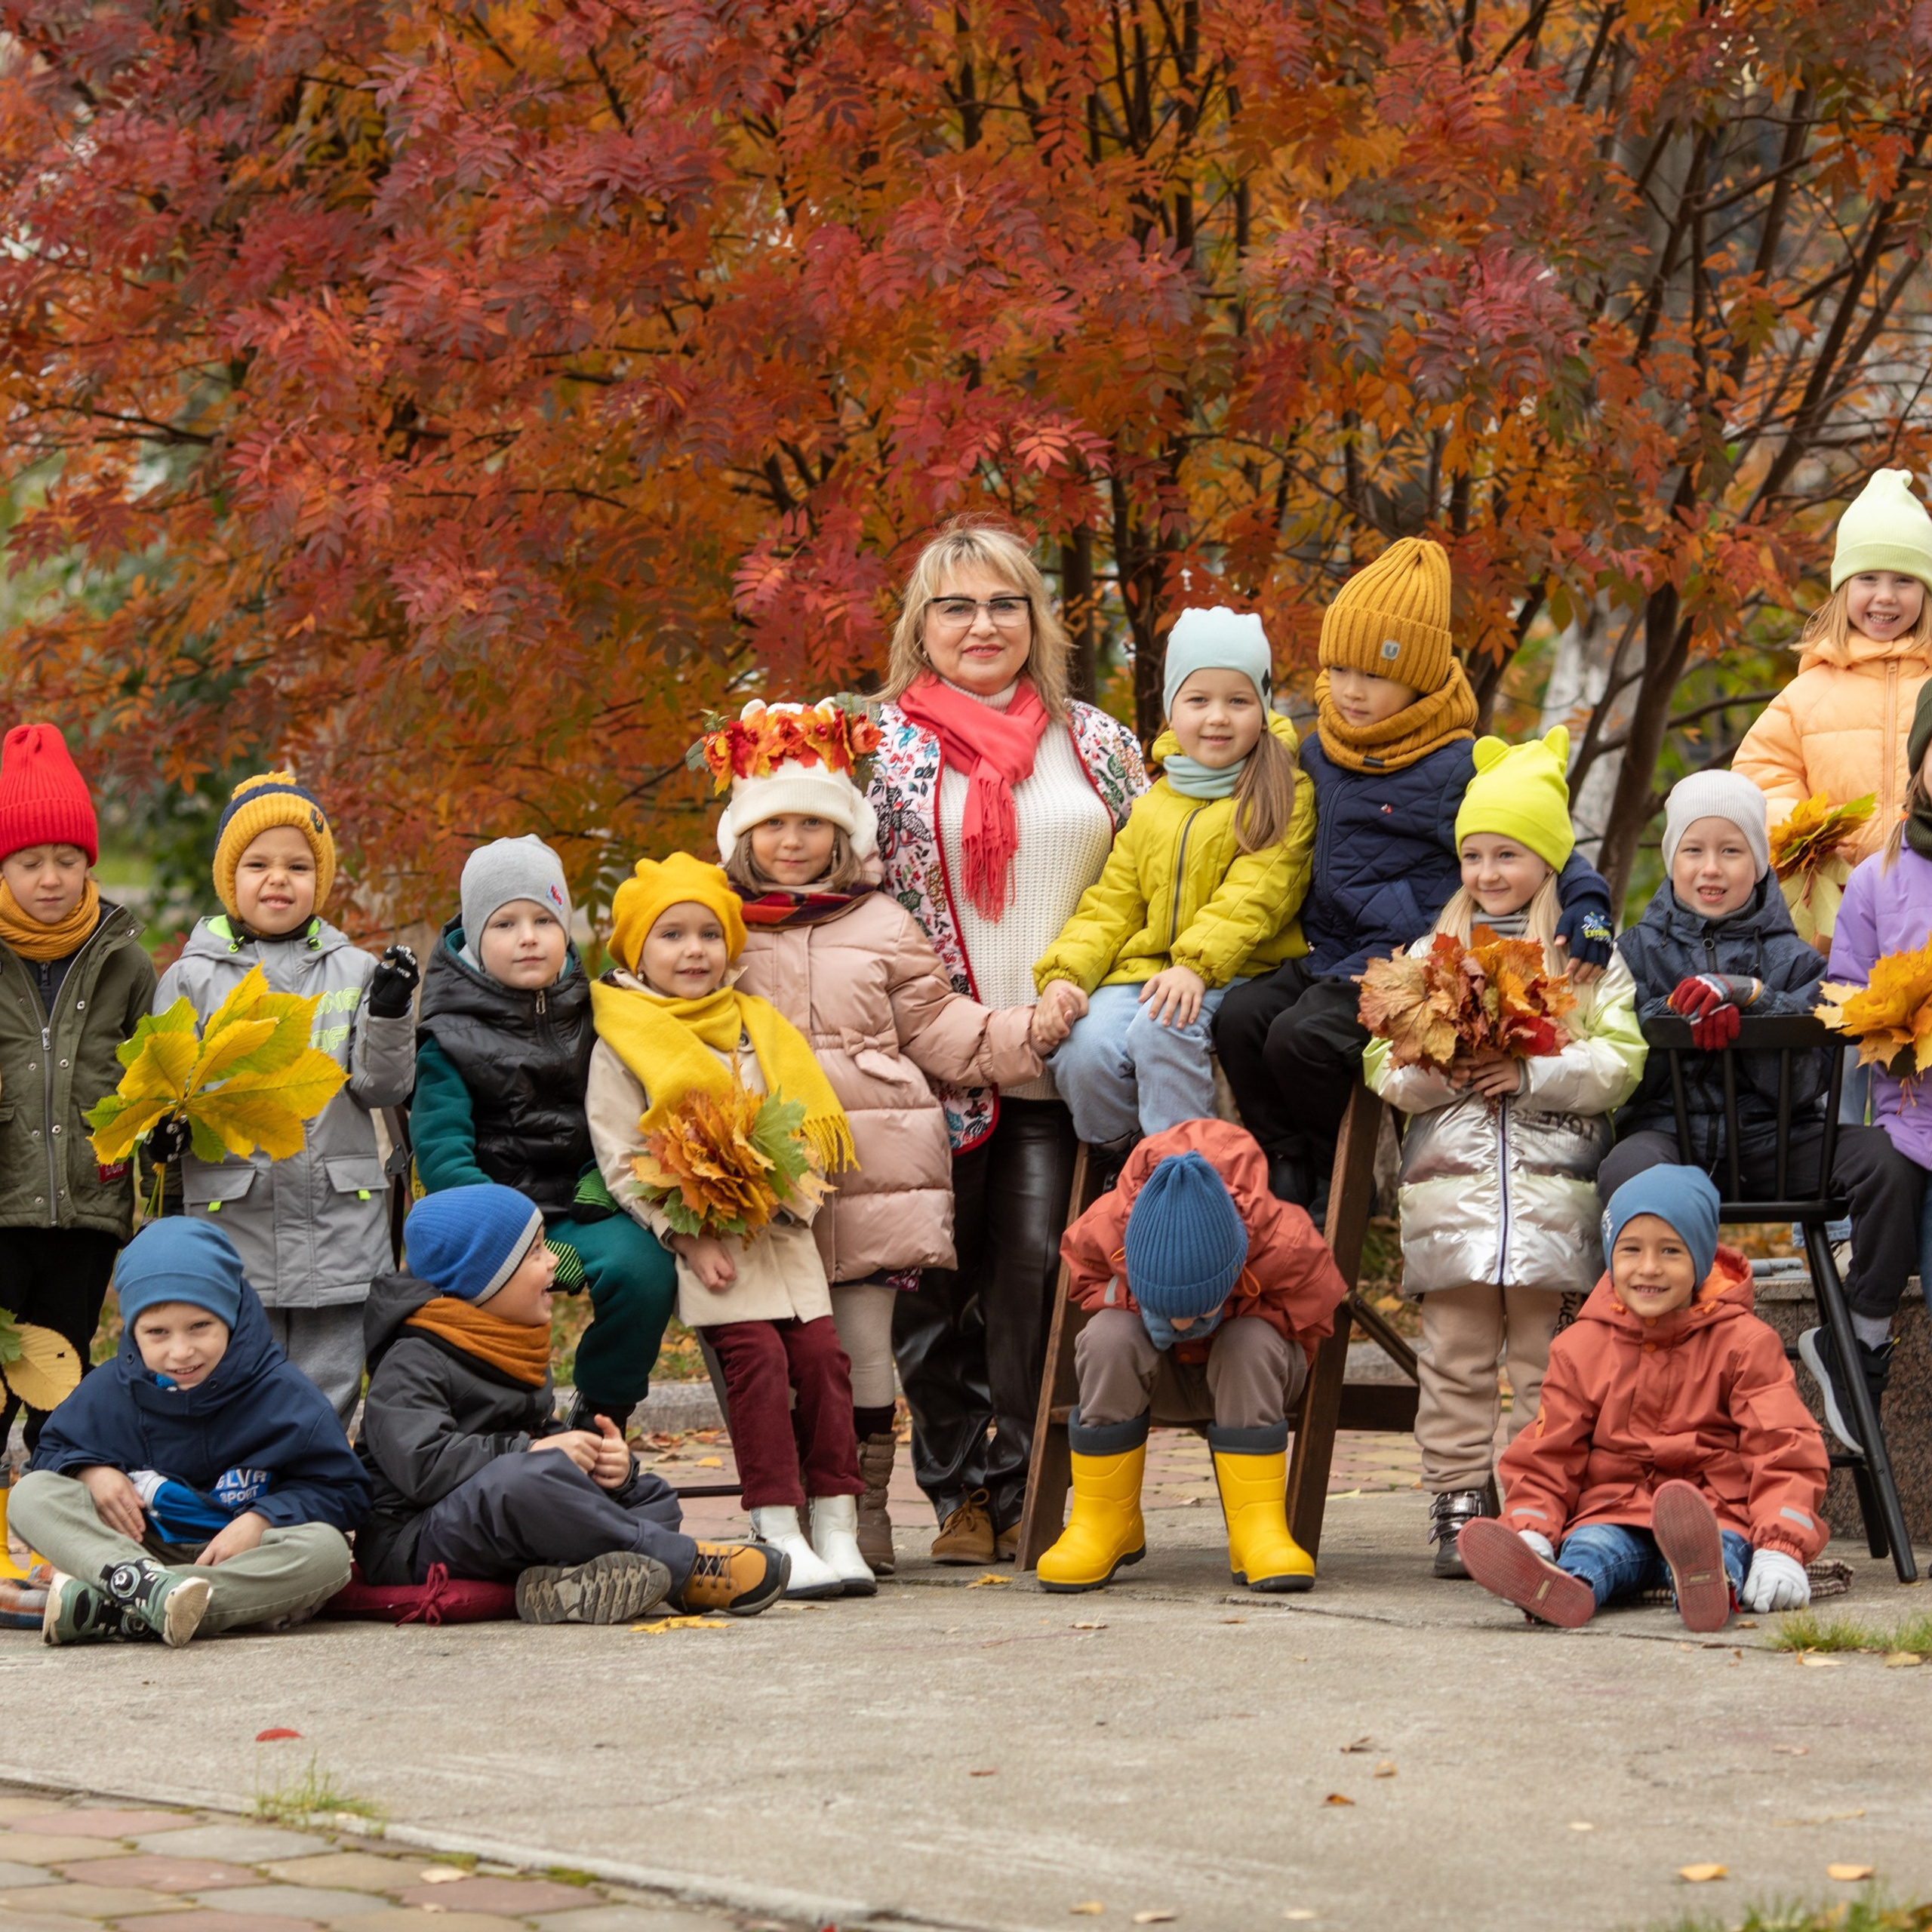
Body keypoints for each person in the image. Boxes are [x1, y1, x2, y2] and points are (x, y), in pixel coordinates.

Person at [718, 698, 1063, 1576]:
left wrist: (1032, 1031)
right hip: (764, 1177)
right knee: (780, 1352)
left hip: (874, 1174)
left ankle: (860, 1505)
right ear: (742, 835)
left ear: (843, 833)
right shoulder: (718, 926)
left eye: (811, 823)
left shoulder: (881, 924)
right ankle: (789, 1504)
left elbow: (939, 1026)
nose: (791, 840)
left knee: (863, 1352)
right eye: (773, 824)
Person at [869, 518, 1146, 1563]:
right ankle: (957, 1495)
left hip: (1058, 1061)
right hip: (921, 1062)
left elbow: (1147, 883)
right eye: (957, 606)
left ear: (1035, 618)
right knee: (931, 1292)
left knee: (1037, 1279)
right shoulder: (880, 750)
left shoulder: (1098, 744)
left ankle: (1030, 1485)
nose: (981, 624)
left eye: (1003, 603)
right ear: (921, 626)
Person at [1214, 537, 1614, 1214]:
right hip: (1324, 952)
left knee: (1301, 1040)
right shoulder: (1320, 750)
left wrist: (1589, 903)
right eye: (1341, 668)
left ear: (1421, 678)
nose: (1351, 690)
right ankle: (1285, 1157)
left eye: (1374, 674)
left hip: (1406, 963)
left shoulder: (1455, 765)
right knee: (1240, 1019)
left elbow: (1538, 838)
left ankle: (1339, 1176)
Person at [1364, 728, 1644, 1576]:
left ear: (1548, 858)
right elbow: (1381, 1063)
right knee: (1452, 1356)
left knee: (1545, 1363)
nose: (1487, 872)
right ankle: (1457, 1497)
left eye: (1508, 854)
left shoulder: (1583, 959)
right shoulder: (1429, 955)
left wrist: (1533, 1073)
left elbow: (1620, 1061)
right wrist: (1435, 1069)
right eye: (1473, 855)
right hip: (1451, 1201)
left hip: (1553, 1199)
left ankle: (1533, 1498)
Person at [1598, 770, 1923, 1442]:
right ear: (1671, 857)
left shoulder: (1795, 959)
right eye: (1694, 850)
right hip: (1673, 1140)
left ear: (1760, 863)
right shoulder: (1633, 953)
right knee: (1625, 1171)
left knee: (1889, 1164)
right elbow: (1622, 1071)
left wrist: (1757, 1003)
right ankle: (1655, 1336)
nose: (1711, 869)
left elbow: (1808, 1081)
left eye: (1731, 850)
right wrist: (1676, 1021)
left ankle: (1862, 1334)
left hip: (1776, 1141)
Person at [587, 851, 869, 1601]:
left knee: (824, 1363)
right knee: (758, 1364)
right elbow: (622, 1159)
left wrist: (787, 1192)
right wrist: (686, 1235)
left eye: (709, 935)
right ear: (637, 951)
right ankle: (777, 1526)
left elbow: (803, 1123)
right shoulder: (623, 1038)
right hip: (711, 1244)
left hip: (782, 1235)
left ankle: (837, 1521)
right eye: (671, 935)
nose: (694, 951)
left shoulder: (757, 1025)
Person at [355, 1186, 785, 1621]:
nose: (553, 1261)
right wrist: (531, 1451)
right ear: (483, 1277)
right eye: (535, 1252)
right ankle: (685, 1567)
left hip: (501, 1515)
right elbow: (423, 1465)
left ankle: (569, 1581)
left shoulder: (510, 1339)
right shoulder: (411, 1360)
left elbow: (536, 1432)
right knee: (525, 1484)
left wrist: (607, 1465)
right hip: (415, 1539)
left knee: (648, 1493)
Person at [154, 772, 418, 1423]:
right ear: (230, 878)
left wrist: (388, 1013)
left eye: (298, 866)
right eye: (258, 865)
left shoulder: (355, 971)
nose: (278, 879)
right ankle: (247, 1478)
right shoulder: (190, 979)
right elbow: (164, 1094)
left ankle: (314, 1475)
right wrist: (165, 1130)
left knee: (332, 1377)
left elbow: (383, 1086)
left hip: (339, 1217)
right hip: (236, 1215)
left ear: (319, 881)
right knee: (239, 1371)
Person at [1458, 1167, 1828, 1630]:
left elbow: (1783, 1445)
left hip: (1713, 1514)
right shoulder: (1581, 1347)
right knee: (1591, 1548)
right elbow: (1549, 1452)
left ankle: (1710, 1583)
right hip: (1613, 1510)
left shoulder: (1745, 1344)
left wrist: (1781, 1546)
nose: (1649, 1268)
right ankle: (1556, 1587)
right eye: (1631, 1250)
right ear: (1611, 1255)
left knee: (1723, 1548)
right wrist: (1532, 1526)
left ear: (1700, 1259)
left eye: (1670, 1251)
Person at [412, 834, 678, 1434]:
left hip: (586, 1203)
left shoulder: (601, 1008)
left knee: (644, 1270)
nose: (528, 937)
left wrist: (607, 1181)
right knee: (500, 1294)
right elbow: (443, 1156)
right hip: (495, 1219)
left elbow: (632, 1109)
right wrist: (520, 1240)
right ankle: (510, 1423)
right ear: (476, 937)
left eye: (543, 920)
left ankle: (603, 1412)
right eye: (505, 924)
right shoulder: (448, 1036)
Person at [1035, 606, 1315, 1152]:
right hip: (1150, 971)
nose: (1218, 718)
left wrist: (1195, 966)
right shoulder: (1156, 802)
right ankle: (1127, 1158)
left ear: (1262, 708)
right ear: (1171, 709)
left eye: (1238, 701)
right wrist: (1065, 975)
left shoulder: (1284, 792)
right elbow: (1111, 905)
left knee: (1161, 1029)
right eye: (1198, 700)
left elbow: (1254, 897)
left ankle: (1186, 1170)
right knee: (1083, 1047)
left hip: (1237, 970)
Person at [14, 1219, 369, 1646]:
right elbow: (52, 1452)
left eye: (200, 1326)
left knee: (328, 1554)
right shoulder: (108, 1390)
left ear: (231, 1316)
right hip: (137, 1548)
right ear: (132, 1331)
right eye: (157, 1333)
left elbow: (345, 1491)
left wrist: (262, 1519)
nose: (180, 1351)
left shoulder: (284, 1393)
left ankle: (119, 1607)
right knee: (30, 1494)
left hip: (241, 1558)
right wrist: (90, 1472)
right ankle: (150, 1592)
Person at [1035, 1121, 1346, 1594]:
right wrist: (1141, 1305)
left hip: (1247, 1388)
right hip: (1156, 1379)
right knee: (1107, 1336)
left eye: (1194, 1310)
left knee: (1250, 1341)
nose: (1183, 1323)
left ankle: (1257, 1529)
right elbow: (1085, 1284)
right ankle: (1106, 1520)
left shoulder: (1287, 1243)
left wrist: (1232, 1310)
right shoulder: (1107, 1227)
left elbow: (1314, 1324)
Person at [0, 723, 155, 1447]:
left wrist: (155, 1170)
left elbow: (152, 1077)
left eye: (67, 860)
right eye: (30, 862)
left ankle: (52, 1484)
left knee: (61, 1369)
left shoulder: (124, 961)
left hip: (89, 1204)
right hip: (3, 1200)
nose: (51, 879)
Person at [1818, 677, 1932, 1447]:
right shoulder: (1879, 877)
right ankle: (1859, 1346)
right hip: (1911, 1120)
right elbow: (1845, 994)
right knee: (1892, 1204)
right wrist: (1886, 1015)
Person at [1736, 468, 1932, 901]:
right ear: (1843, 589)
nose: (1886, 595)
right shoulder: (1807, 694)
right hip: (1836, 902)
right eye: (1868, 578)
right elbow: (1760, 777)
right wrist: (1808, 836)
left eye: (1904, 580)